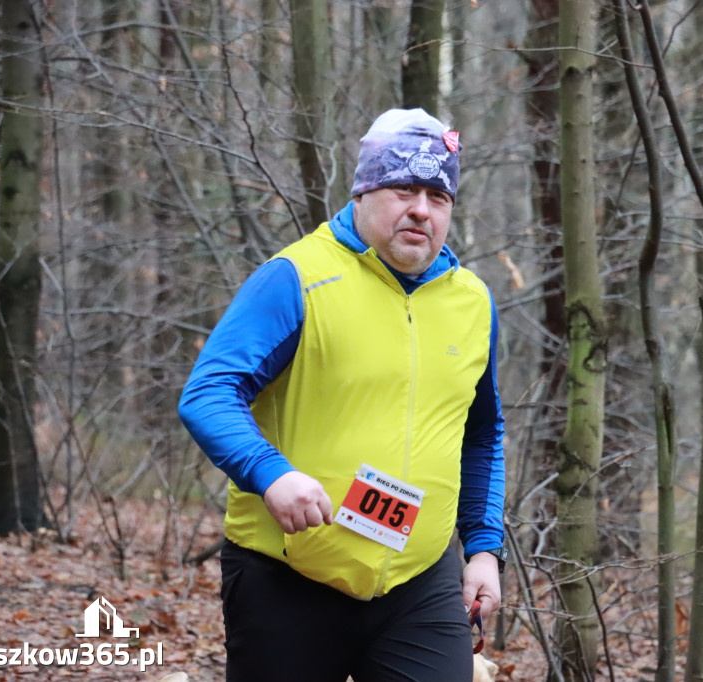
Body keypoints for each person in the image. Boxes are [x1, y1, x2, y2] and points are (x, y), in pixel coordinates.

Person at [178, 108, 506, 682]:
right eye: (403, 187)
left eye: (438, 195)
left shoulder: (472, 304)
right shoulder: (296, 277)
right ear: (363, 191)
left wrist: (482, 549)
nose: (421, 209)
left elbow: (480, 433)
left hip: (418, 582)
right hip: (289, 574)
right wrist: (270, 473)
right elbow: (208, 392)